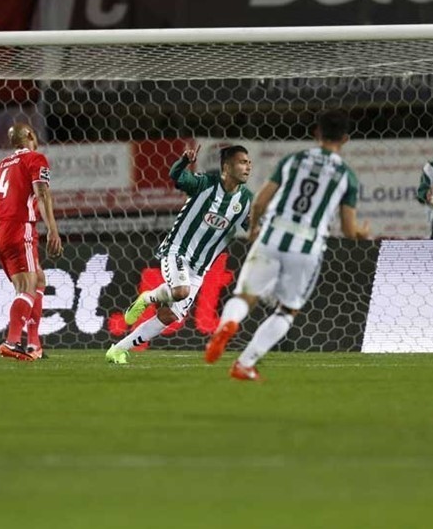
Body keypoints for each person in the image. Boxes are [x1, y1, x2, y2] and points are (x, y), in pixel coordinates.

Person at [204, 111, 371, 381]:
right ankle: (244, 363)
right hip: (306, 247)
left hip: (272, 235)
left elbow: (259, 201)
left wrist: (255, 229)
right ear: (345, 139)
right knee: (287, 310)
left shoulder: (294, 160)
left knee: (245, 296)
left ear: (316, 133)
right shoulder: (346, 176)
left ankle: (227, 324)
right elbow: (349, 229)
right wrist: (361, 234)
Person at [106, 144, 253, 364]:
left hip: (200, 267)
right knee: (181, 290)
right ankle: (148, 297)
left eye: (249, 162)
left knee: (169, 316)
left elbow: (250, 224)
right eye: (242, 162)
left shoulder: (245, 199)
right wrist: (185, 160)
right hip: (177, 250)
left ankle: (117, 350)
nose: (248, 167)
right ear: (227, 166)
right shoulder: (205, 183)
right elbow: (176, 175)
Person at [0, 121, 61, 362]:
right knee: (27, 288)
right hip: (19, 228)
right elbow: (42, 193)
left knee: (38, 279)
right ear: (30, 134)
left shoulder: (1, 165)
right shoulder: (35, 159)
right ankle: (11, 342)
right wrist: (53, 229)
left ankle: (33, 344)